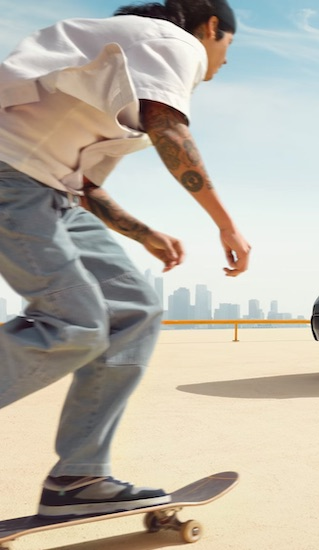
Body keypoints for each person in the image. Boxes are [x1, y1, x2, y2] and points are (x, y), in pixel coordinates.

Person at [0, 0, 251, 517]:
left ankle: (79, 477)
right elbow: (170, 131)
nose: (224, 62)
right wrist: (225, 223)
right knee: (75, 323)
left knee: (136, 310)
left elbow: (87, 188)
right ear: (211, 28)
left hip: (52, 193)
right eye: (228, 46)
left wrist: (144, 234)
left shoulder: (124, 69)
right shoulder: (171, 42)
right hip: (10, 175)